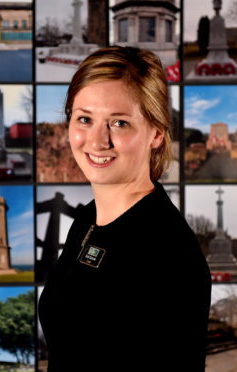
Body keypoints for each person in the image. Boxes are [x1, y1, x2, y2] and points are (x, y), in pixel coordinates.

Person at [38, 46, 211, 372]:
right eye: (85, 119)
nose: (97, 140)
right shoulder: (88, 219)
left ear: (156, 132)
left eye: (119, 123)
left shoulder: (169, 253)